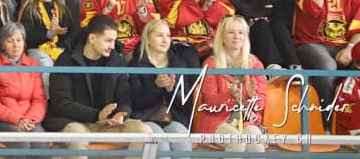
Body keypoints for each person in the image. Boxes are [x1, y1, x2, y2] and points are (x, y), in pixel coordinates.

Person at [44, 15, 153, 158]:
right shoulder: (65, 61)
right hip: (75, 123)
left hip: (107, 124)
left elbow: (124, 97)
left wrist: (121, 113)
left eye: (114, 40)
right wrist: (97, 115)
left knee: (144, 132)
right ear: (92, 38)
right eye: (108, 40)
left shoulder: (117, 61)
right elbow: (61, 103)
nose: (113, 46)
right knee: (77, 136)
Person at [293, 0, 360, 123]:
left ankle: (353, 122)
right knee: (327, 66)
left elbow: (359, 28)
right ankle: (327, 122)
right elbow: (312, 8)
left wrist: (350, 49)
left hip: (345, 45)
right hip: (311, 44)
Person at [193, 14, 267, 154]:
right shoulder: (211, 64)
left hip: (247, 120)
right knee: (237, 141)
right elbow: (210, 103)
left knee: (255, 142)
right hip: (216, 121)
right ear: (221, 37)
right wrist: (230, 95)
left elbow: (261, 104)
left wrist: (251, 96)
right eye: (231, 32)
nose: (236, 36)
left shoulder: (255, 63)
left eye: (241, 32)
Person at [127, 18, 195, 158]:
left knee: (182, 141)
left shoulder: (179, 65)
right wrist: (155, 86)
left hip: (173, 119)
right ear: (148, 39)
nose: (165, 40)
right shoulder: (136, 64)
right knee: (161, 145)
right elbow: (135, 103)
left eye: (168, 36)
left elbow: (187, 104)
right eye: (159, 35)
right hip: (145, 119)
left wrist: (171, 91)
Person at [229, 0, 300, 69]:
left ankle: (294, 65)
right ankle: (272, 68)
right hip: (248, 44)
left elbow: (283, 22)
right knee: (261, 24)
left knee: (277, 24)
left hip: (275, 42)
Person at [0, 21, 47, 144]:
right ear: (2, 45)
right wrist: (18, 119)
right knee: (21, 142)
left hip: (30, 120)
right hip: (3, 121)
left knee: (40, 141)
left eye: (19, 40)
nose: (16, 45)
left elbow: (39, 99)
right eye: (10, 41)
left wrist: (30, 119)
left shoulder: (33, 65)